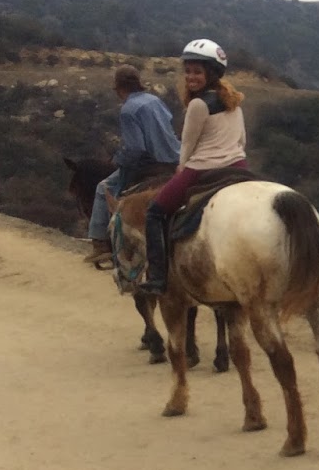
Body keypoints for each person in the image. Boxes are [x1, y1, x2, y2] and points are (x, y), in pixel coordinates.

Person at [134, 39, 248, 296]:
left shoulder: (198, 105)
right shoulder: (234, 101)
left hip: (204, 168)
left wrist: (181, 168)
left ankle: (158, 278)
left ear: (211, 73)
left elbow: (187, 145)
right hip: (239, 165)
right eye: (188, 71)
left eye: (197, 71)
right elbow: (242, 140)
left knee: (154, 212)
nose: (190, 77)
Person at [83, 65, 180, 265]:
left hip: (150, 163)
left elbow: (136, 149)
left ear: (118, 88)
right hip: (175, 159)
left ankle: (100, 245)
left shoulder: (128, 109)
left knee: (103, 189)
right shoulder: (154, 100)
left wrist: (118, 160)